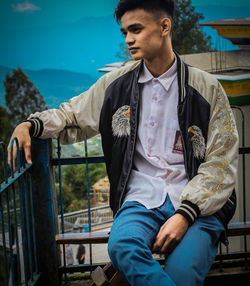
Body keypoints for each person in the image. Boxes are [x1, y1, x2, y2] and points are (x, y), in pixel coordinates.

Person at [8, 0, 239, 285]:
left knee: (183, 272)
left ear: (164, 26)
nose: (129, 39)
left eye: (136, 29)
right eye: (125, 32)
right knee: (122, 247)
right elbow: (73, 115)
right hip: (140, 199)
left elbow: (221, 162)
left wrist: (185, 215)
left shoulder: (207, 89)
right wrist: (30, 124)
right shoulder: (116, 85)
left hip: (199, 205)